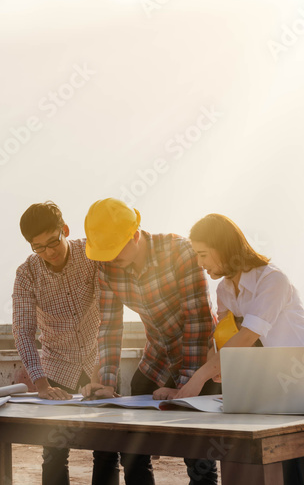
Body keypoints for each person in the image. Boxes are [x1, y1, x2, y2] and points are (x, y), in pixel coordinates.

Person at [176, 213, 304, 485]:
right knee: (291, 479)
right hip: (278, 390)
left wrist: (201, 376)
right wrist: (222, 370)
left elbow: (246, 336)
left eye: (203, 254)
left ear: (224, 247)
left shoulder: (272, 280)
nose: (200, 263)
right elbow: (223, 339)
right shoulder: (224, 290)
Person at [84, 198, 218, 485]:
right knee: (134, 444)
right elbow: (109, 326)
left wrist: (185, 386)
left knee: (198, 455)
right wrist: (106, 380)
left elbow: (199, 321)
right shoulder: (107, 268)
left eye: (114, 251)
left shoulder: (181, 252)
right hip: (156, 357)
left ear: (134, 235)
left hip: (199, 361)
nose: (109, 259)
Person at [13, 201, 110, 485]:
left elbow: (109, 316)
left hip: (99, 361)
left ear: (65, 230)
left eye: (53, 242)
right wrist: (42, 385)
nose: (48, 252)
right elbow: (23, 331)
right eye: (38, 247)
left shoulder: (92, 255)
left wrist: (101, 373)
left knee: (108, 449)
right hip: (57, 368)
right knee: (54, 453)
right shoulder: (26, 274)